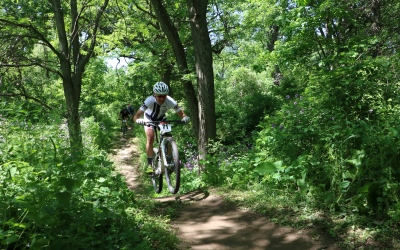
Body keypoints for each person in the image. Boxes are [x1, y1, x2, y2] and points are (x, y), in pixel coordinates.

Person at [133, 81, 190, 173]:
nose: (162, 98)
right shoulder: (149, 100)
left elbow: (182, 114)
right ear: (155, 95)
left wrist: (185, 117)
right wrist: (137, 120)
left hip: (161, 118)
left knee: (168, 136)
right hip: (149, 118)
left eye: (164, 96)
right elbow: (136, 115)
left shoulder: (170, 101)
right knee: (150, 138)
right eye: (159, 96)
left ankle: (168, 160)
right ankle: (150, 165)